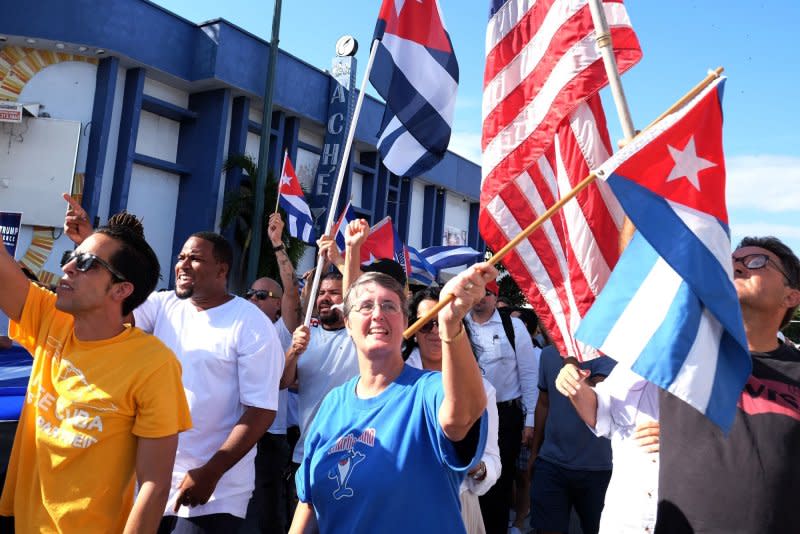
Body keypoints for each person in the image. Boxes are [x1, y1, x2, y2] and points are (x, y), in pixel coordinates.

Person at [63, 205, 284, 533]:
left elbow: (261, 411)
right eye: (181, 256)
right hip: (149, 483)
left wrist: (212, 471)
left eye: (194, 258)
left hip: (213, 493)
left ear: (222, 270)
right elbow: (113, 311)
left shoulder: (251, 324)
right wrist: (90, 248)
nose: (182, 263)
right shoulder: (164, 304)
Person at [0, 205, 191, 533]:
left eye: (86, 263)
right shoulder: (51, 321)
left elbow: (154, 485)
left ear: (121, 290)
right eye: (69, 258)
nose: (68, 267)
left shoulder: (153, 365)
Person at [289, 265, 492, 533]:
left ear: (406, 323)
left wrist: (452, 324)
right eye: (365, 306)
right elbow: (309, 504)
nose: (377, 314)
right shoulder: (332, 405)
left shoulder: (427, 391)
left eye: (389, 306)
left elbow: (463, 415)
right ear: (348, 324)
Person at [654, 236, 800, 533]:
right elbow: (648, 249)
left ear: (791, 297)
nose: (738, 266)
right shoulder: (684, 347)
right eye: (731, 260)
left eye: (756, 261)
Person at [405, 288, 501, 534]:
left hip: (457, 503)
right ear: (414, 329)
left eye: (445, 322)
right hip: (400, 502)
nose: (436, 331)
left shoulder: (481, 390)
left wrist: (472, 464)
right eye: (427, 324)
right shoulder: (392, 381)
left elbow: (492, 460)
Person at [464, 280, 540, 534]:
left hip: (505, 415)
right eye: (476, 292)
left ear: (495, 297)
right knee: (468, 479)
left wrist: (529, 420)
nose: (480, 298)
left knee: (499, 480)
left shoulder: (514, 327)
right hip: (468, 413)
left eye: (487, 293)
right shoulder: (460, 324)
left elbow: (529, 375)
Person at [242, 213, 302, 534]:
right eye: (250, 293)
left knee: (266, 509)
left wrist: (278, 245)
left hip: (270, 434)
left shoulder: (282, 329)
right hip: (235, 426)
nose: (253, 298)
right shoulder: (236, 327)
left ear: (278, 305)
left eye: (262, 295)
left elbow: (291, 290)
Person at [555, 362, 659, 533]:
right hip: (625, 516)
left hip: (682, 513)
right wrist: (575, 386)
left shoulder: (709, 369)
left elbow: (717, 432)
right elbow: (601, 415)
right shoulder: (628, 367)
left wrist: (679, 433)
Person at [529, 346, 615, 534]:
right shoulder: (548, 353)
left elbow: (599, 404)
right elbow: (544, 403)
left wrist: (571, 363)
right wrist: (535, 453)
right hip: (551, 464)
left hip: (599, 470)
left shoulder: (608, 353)